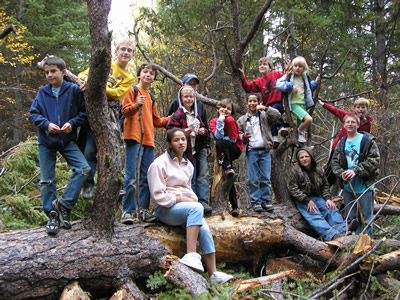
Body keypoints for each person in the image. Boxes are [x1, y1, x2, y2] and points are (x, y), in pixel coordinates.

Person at [147, 128, 235, 283]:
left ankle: (213, 274)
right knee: (197, 208)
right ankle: (191, 255)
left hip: (185, 210)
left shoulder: (188, 165)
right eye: (176, 140)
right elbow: (157, 195)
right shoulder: (159, 164)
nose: (181, 143)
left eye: (183, 139)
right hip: (165, 209)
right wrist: (181, 199)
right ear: (169, 144)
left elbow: (188, 189)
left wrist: (191, 200)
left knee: (205, 229)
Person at [30, 56, 90, 235]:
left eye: (53, 71)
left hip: (67, 139)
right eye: (47, 72)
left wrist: (72, 123)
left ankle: (63, 204)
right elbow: (34, 113)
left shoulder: (73, 90)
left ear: (63, 72)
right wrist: (47, 125)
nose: (49, 75)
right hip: (47, 141)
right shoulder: (42, 93)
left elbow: (83, 113)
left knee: (83, 169)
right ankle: (53, 215)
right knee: (47, 181)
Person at [78, 39, 135, 200]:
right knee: (89, 150)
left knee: (112, 152)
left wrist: (95, 84)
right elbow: (83, 74)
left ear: (132, 55)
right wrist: (85, 80)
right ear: (116, 52)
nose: (125, 52)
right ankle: (88, 186)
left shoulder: (129, 77)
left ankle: (113, 188)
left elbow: (117, 94)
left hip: (110, 116)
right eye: (122, 49)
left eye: (129, 50)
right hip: (92, 112)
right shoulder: (106, 65)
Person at [120, 62, 170, 224]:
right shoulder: (132, 90)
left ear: (154, 78)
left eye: (151, 73)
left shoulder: (151, 97)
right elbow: (125, 111)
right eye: (145, 72)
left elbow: (156, 121)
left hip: (149, 141)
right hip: (134, 138)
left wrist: (172, 117)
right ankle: (128, 211)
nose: (148, 75)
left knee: (146, 178)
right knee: (131, 176)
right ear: (139, 74)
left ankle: (143, 211)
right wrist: (136, 105)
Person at [165, 73, 212, 215]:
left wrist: (206, 138)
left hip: (199, 146)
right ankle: (190, 201)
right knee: (188, 174)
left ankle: (203, 201)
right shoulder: (176, 107)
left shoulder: (199, 107)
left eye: (194, 85)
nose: (191, 88)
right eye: (189, 84)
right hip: (184, 149)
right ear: (182, 87)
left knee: (202, 174)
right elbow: (169, 126)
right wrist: (181, 133)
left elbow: (205, 125)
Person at [331, 113, 380, 237]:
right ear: (344, 125)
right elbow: (334, 163)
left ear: (358, 124)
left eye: (353, 122)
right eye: (348, 122)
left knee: (366, 219)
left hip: (364, 186)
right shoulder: (341, 143)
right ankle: (351, 245)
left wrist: (356, 171)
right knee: (351, 218)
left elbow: (374, 160)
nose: (350, 124)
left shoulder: (367, 141)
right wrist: (341, 173)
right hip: (348, 187)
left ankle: (366, 245)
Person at [287, 147, 349, 241]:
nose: (304, 159)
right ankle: (332, 236)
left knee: (331, 209)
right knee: (314, 214)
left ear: (311, 157)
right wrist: (307, 201)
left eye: (306, 156)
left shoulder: (318, 169)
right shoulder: (295, 171)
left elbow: (325, 185)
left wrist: (328, 198)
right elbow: (292, 188)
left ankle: (343, 231)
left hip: (317, 197)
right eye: (302, 157)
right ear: (299, 160)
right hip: (303, 200)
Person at [237, 93, 281, 212]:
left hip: (265, 150)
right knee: (252, 179)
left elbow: (277, 116)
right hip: (251, 151)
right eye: (250, 101)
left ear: (258, 102)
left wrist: (265, 108)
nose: (252, 103)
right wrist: (243, 136)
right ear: (246, 103)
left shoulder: (264, 115)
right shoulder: (242, 120)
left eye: (254, 101)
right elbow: (237, 134)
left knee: (266, 178)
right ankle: (256, 202)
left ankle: (266, 201)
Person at [319, 98, 373, 191]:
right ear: (355, 108)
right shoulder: (348, 116)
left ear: (367, 109)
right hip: (339, 148)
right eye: (358, 107)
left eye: (363, 107)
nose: (360, 109)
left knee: (348, 171)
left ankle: (346, 191)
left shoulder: (367, 124)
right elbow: (336, 111)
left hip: (353, 152)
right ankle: (322, 190)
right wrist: (323, 104)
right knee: (330, 170)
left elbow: (365, 138)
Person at [238, 57, 285, 143]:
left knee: (275, 111)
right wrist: (243, 77)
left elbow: (286, 78)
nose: (262, 66)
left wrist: (287, 69)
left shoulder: (276, 74)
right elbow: (248, 88)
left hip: (278, 101)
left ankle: (281, 127)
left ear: (270, 68)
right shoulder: (259, 81)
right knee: (268, 119)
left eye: (264, 64)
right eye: (260, 65)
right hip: (267, 105)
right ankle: (274, 136)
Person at [210, 99, 243, 217]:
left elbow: (233, 139)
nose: (225, 110)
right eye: (223, 107)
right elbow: (217, 135)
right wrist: (220, 122)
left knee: (220, 142)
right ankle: (234, 206)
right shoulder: (214, 121)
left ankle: (228, 166)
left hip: (235, 149)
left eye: (228, 109)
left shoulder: (230, 120)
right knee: (227, 177)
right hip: (224, 153)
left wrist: (223, 123)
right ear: (218, 109)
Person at [276, 56, 318, 143]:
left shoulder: (304, 77)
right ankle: (298, 132)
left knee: (302, 124)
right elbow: (278, 84)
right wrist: (290, 86)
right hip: (294, 104)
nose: (297, 68)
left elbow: (309, 88)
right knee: (309, 119)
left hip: (303, 104)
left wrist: (315, 83)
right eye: (295, 66)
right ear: (292, 67)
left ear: (304, 68)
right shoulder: (290, 76)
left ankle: (298, 136)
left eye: (300, 66)